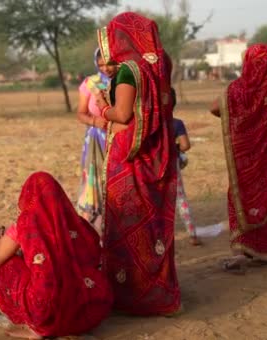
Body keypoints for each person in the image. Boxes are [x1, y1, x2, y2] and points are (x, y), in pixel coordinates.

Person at [94, 12, 181, 315]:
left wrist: (103, 109)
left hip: (130, 157)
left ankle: (131, 292)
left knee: (127, 222)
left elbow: (123, 115)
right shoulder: (161, 63)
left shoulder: (129, 70)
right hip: (157, 153)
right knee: (154, 224)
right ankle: (159, 290)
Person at [0, 172, 112, 340]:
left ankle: (37, 329)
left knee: (7, 264)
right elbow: (93, 257)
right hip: (87, 309)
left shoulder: (25, 224)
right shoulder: (77, 223)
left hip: (45, 312)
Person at [209, 44, 267, 272]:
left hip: (247, 162)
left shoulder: (239, 90)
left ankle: (242, 251)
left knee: (243, 197)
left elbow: (215, 108)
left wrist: (244, 118)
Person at [75, 48, 118, 233]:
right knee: (95, 183)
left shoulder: (124, 82)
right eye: (101, 65)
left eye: (109, 63)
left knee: (114, 182)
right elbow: (81, 113)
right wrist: (95, 121)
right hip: (95, 140)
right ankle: (92, 229)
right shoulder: (91, 83)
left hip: (117, 137)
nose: (105, 69)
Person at [171, 89, 201, 246]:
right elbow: (185, 145)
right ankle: (192, 234)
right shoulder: (177, 123)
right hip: (172, 164)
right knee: (180, 199)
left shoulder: (149, 122)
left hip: (152, 166)